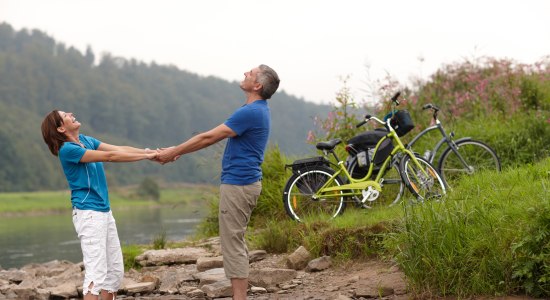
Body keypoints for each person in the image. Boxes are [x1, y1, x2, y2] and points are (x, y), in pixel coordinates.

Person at [156, 64, 280, 299]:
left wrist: (174, 151)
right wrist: (178, 150)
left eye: (250, 73)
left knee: (232, 242)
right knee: (235, 239)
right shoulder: (257, 109)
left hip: (239, 184)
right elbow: (208, 138)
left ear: (257, 85)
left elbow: (209, 137)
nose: (245, 72)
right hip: (243, 183)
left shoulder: (250, 112)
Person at [40, 110, 158, 300]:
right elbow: (110, 156)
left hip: (104, 211)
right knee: (96, 274)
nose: (71, 113)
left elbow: (119, 149)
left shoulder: (85, 140)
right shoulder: (68, 150)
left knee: (114, 273)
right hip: (88, 213)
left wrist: (150, 152)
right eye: (65, 114)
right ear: (61, 128)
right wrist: (148, 157)